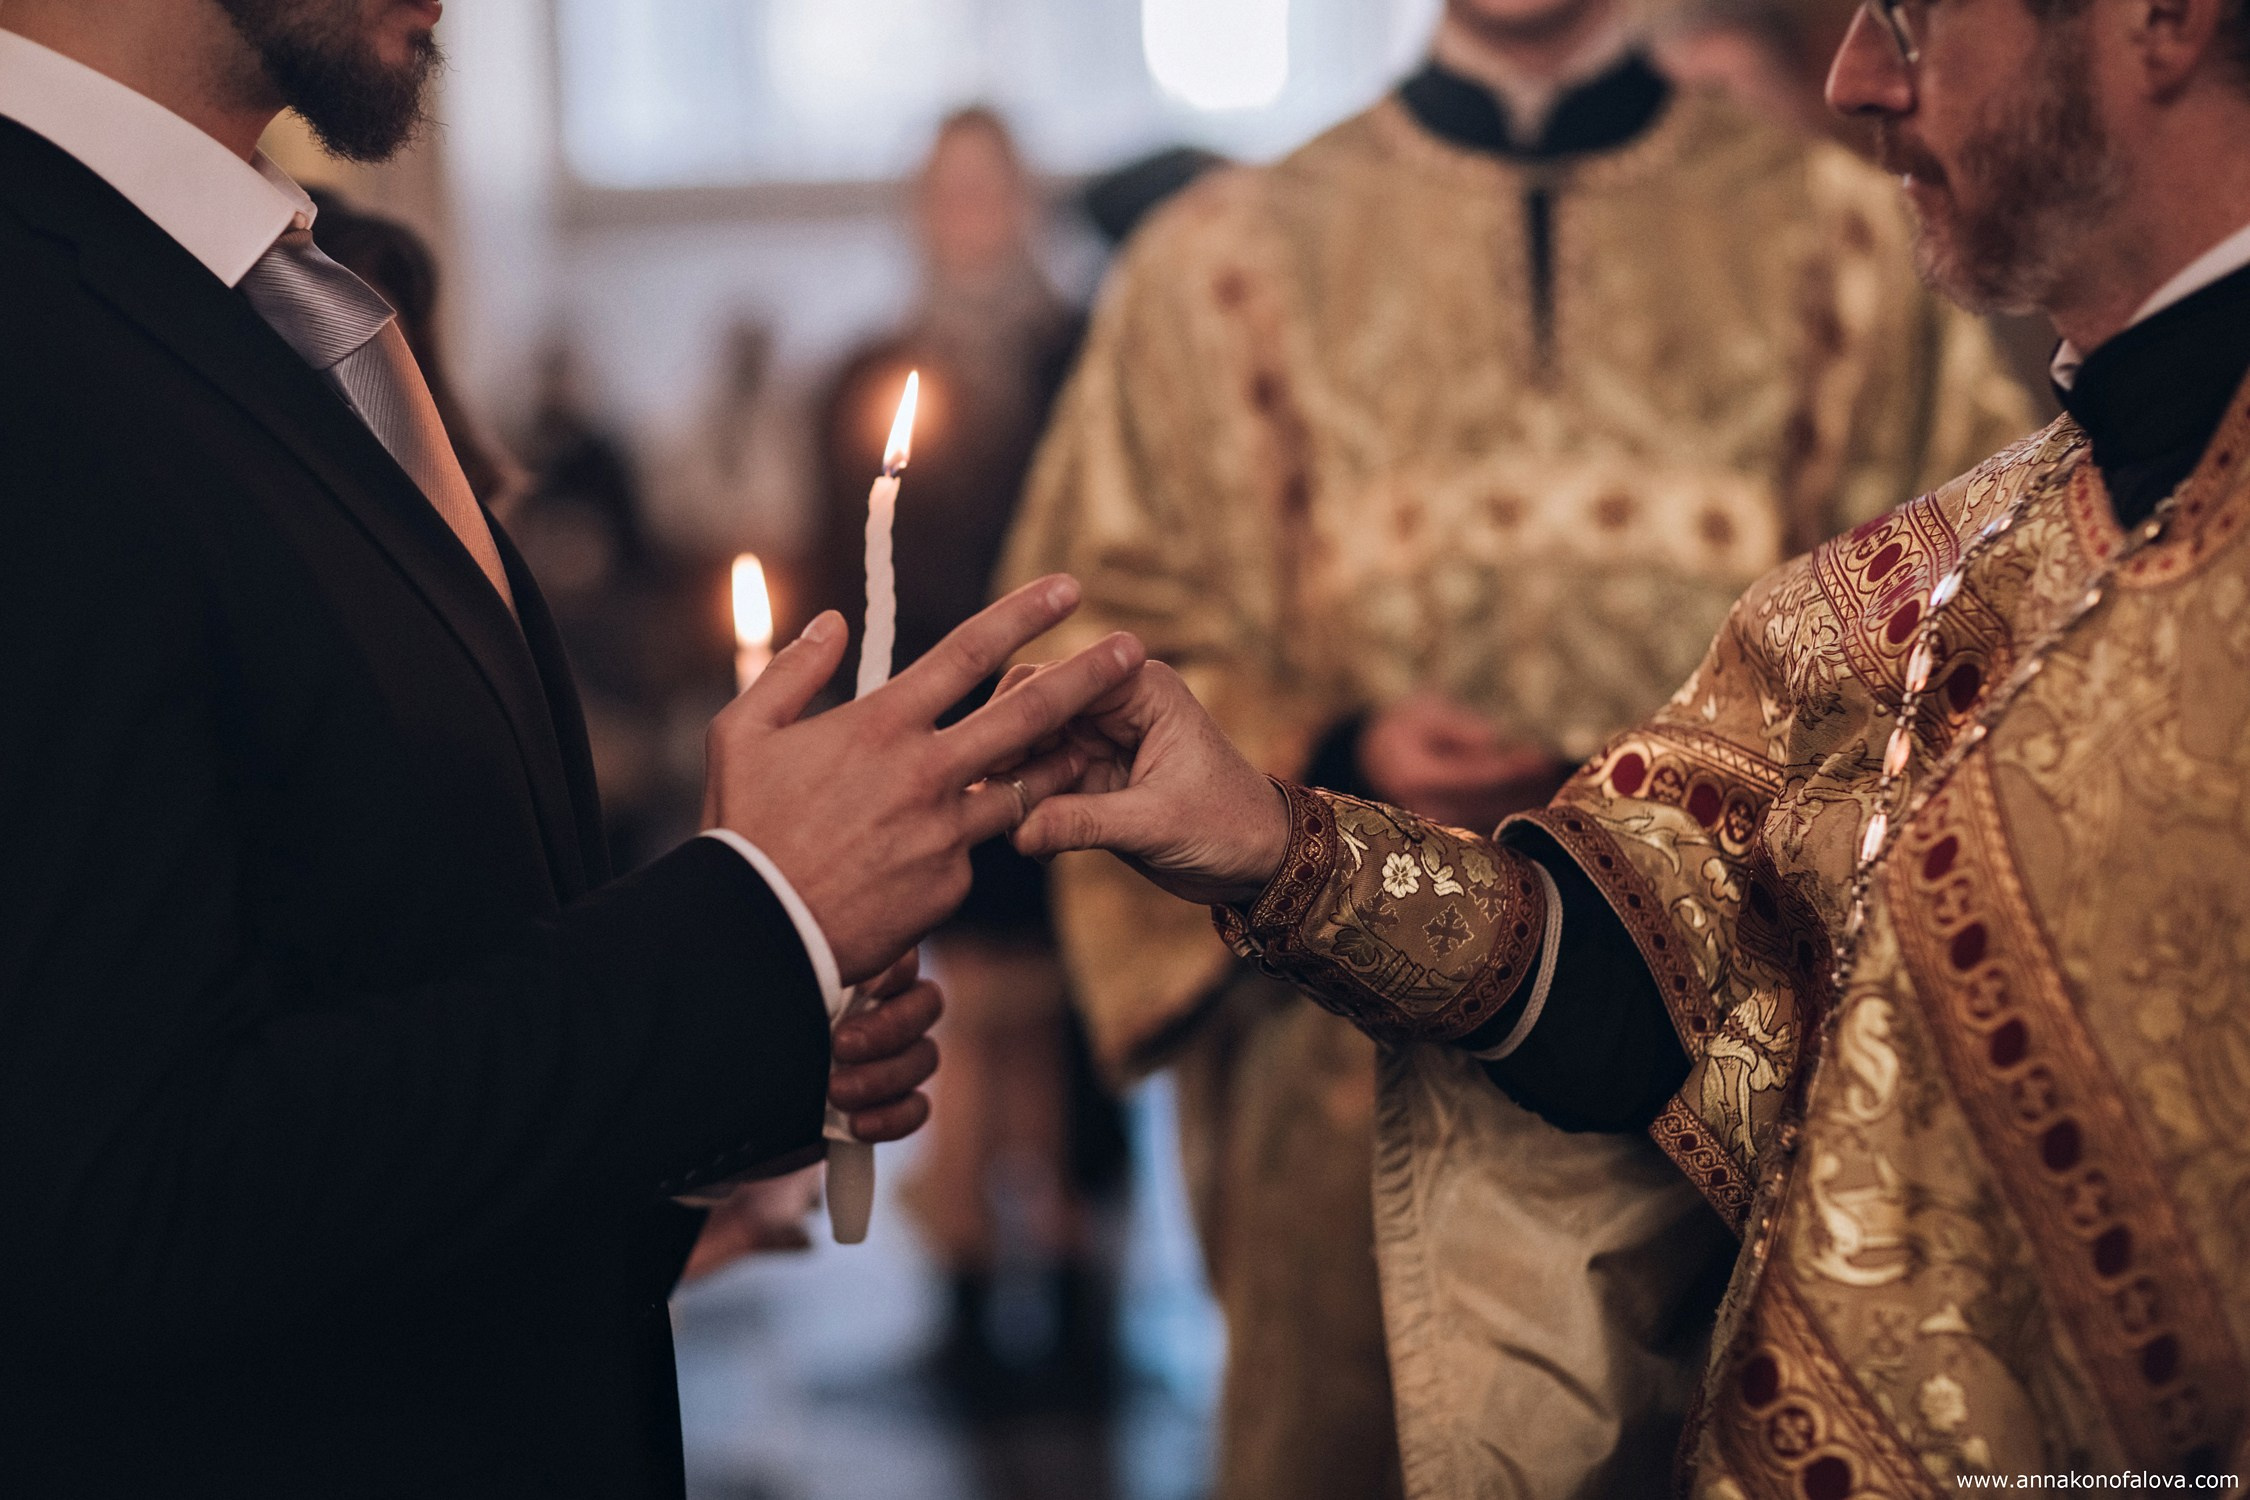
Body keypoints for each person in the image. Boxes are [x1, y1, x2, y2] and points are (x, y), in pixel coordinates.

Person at [1012, 0, 2250, 1479]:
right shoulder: (1216, 259)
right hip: (1355, 1111)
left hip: (1800, 1176)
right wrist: (1304, 781)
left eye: (1914, 13)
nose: (1858, 76)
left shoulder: (1836, 239)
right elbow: (1683, 923)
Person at [0, 3, 1145, 1495]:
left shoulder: (253, 294)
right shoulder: (39, 342)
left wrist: (692, 1102)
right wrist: (748, 917)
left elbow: (369, 960)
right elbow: (122, 1201)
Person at [801, 107, 1124, 1414]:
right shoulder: (866, 375)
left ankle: (1079, 1287)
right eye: (948, 193)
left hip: (1069, 729)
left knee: (1074, 1016)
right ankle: (968, 1289)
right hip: (928, 739)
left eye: (991, 191)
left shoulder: (1083, 358)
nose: (970, 216)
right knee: (961, 1013)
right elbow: (844, 562)